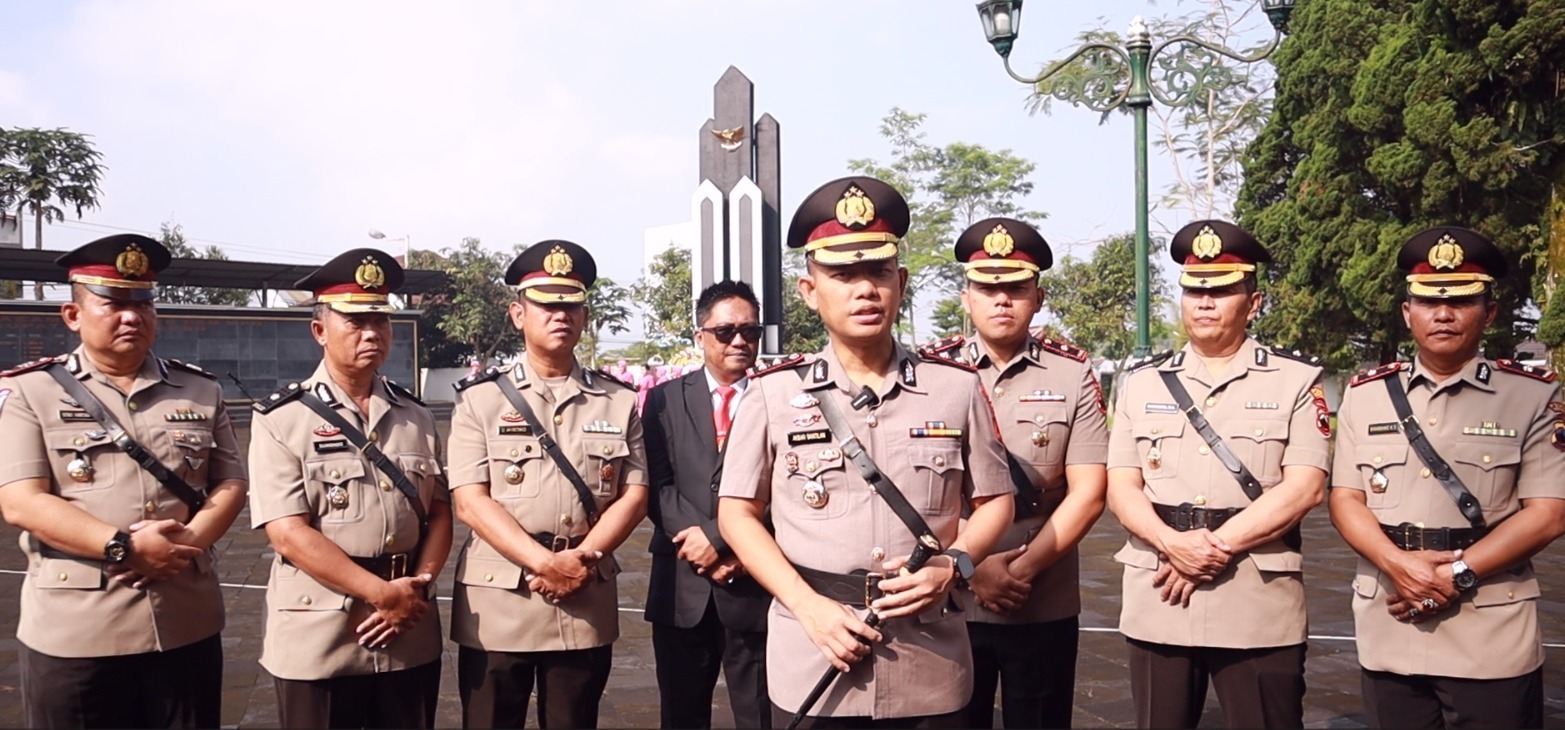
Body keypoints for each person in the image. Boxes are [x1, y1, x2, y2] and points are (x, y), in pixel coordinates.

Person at [717, 175, 1014, 728]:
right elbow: (736, 513)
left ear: (900, 282)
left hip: (930, 656)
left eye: (878, 272)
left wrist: (957, 562)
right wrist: (808, 607)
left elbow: (996, 500)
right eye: (842, 274)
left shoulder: (956, 388)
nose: (864, 289)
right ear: (809, 291)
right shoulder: (774, 392)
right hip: (816, 653)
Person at [0, 233, 247, 728]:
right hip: (78, 629)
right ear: (73, 315)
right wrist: (123, 548)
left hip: (184, 620)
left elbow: (231, 485)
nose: (131, 316)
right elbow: (21, 501)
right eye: (113, 303)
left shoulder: (200, 390)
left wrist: (184, 545)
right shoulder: (29, 391)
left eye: (142, 303)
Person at [1328, 226, 1565, 729]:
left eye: (1460, 301)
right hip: (1391, 613)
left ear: (1490, 312)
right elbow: (1345, 499)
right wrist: (1398, 564)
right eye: (1428, 302)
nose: (1443, 314)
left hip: (1489, 624)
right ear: (1406, 312)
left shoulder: (1532, 396)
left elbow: (1548, 514)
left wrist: (1455, 575)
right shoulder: (1366, 394)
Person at [1105, 220, 1330, 728]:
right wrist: (1171, 543)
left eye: (1223, 290)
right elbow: (1122, 486)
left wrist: (1209, 550)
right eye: (1194, 290)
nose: (1205, 302)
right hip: (1160, 591)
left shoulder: (1297, 380)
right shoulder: (1141, 383)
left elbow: (1305, 487)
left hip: (1255, 597)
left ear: (1254, 302)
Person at [246, 248, 453, 728]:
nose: (372, 333)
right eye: (356, 321)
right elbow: (287, 532)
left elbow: (440, 512)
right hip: (321, 631)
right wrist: (382, 595)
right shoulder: (282, 419)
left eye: (380, 321)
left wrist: (418, 586)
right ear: (319, 330)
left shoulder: (416, 416)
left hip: (408, 626)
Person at [446, 239, 649, 729]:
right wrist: (544, 563)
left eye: (571, 305)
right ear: (518, 314)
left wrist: (580, 562)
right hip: (501, 599)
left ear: (584, 316)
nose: (561, 314)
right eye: (547, 304)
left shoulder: (617, 401)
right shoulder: (481, 401)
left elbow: (635, 494)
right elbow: (470, 502)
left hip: (583, 595)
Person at [924, 218, 1109, 728]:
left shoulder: (1072, 374)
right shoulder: (929, 373)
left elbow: (1089, 492)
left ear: (1039, 297)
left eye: (1015, 288)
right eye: (987, 288)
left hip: (1039, 592)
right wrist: (972, 566)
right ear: (967, 298)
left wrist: (1019, 572)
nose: (1001, 300)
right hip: (948, 594)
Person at [644, 279, 773, 728]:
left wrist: (723, 541)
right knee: (681, 714)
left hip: (756, 579)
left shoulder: (782, 398)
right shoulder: (663, 399)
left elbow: (792, 491)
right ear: (700, 336)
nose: (740, 340)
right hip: (682, 581)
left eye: (751, 331)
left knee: (761, 712)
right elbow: (657, 486)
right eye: (726, 331)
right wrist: (698, 545)